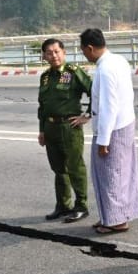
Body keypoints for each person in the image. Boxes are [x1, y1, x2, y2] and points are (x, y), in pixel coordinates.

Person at [78, 28, 138, 234]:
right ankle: (113, 216)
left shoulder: (104, 70)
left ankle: (115, 221)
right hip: (125, 124)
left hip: (113, 129)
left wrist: (103, 141)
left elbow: (108, 107)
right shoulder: (118, 61)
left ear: (90, 48)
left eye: (83, 51)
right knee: (124, 174)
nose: (84, 55)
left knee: (110, 176)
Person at [36, 37, 93, 223]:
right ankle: (63, 205)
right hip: (50, 128)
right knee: (58, 169)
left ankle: (81, 206)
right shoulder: (45, 77)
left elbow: (96, 93)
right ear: (44, 56)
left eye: (56, 51)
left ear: (64, 52)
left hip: (69, 127)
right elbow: (42, 106)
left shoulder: (74, 73)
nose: (53, 56)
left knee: (75, 167)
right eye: (49, 53)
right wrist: (42, 130)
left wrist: (87, 115)